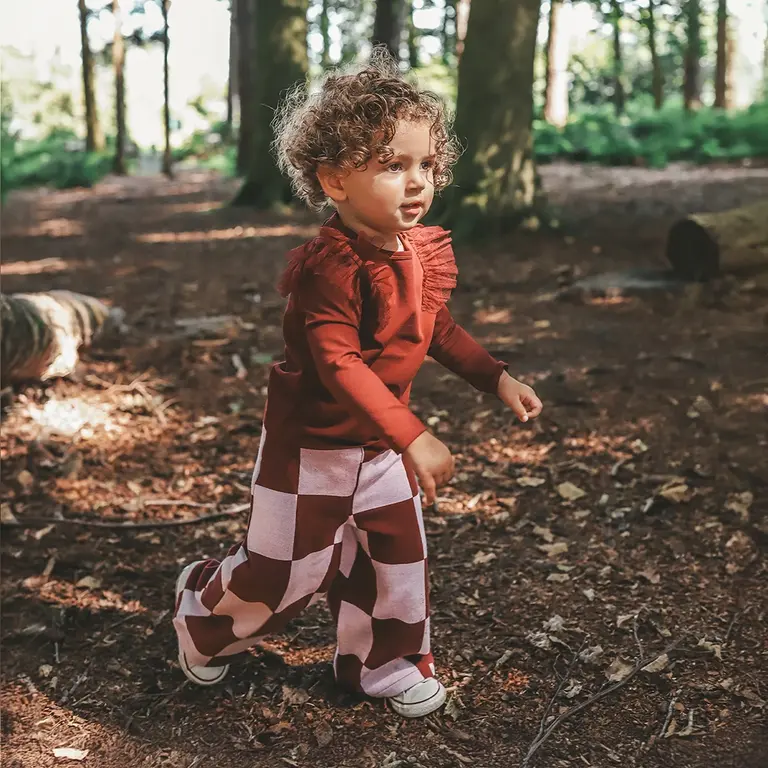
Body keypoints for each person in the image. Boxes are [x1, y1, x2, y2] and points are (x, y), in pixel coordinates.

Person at [172, 52, 543, 719]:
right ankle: (202, 610)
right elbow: (339, 363)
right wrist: (417, 435)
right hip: (309, 453)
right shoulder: (331, 267)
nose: (417, 182)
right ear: (336, 180)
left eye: (426, 165)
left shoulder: (414, 251)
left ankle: (385, 664)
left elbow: (437, 330)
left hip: (379, 450)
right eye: (392, 165)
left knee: (395, 564)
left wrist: (496, 377)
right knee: (284, 577)